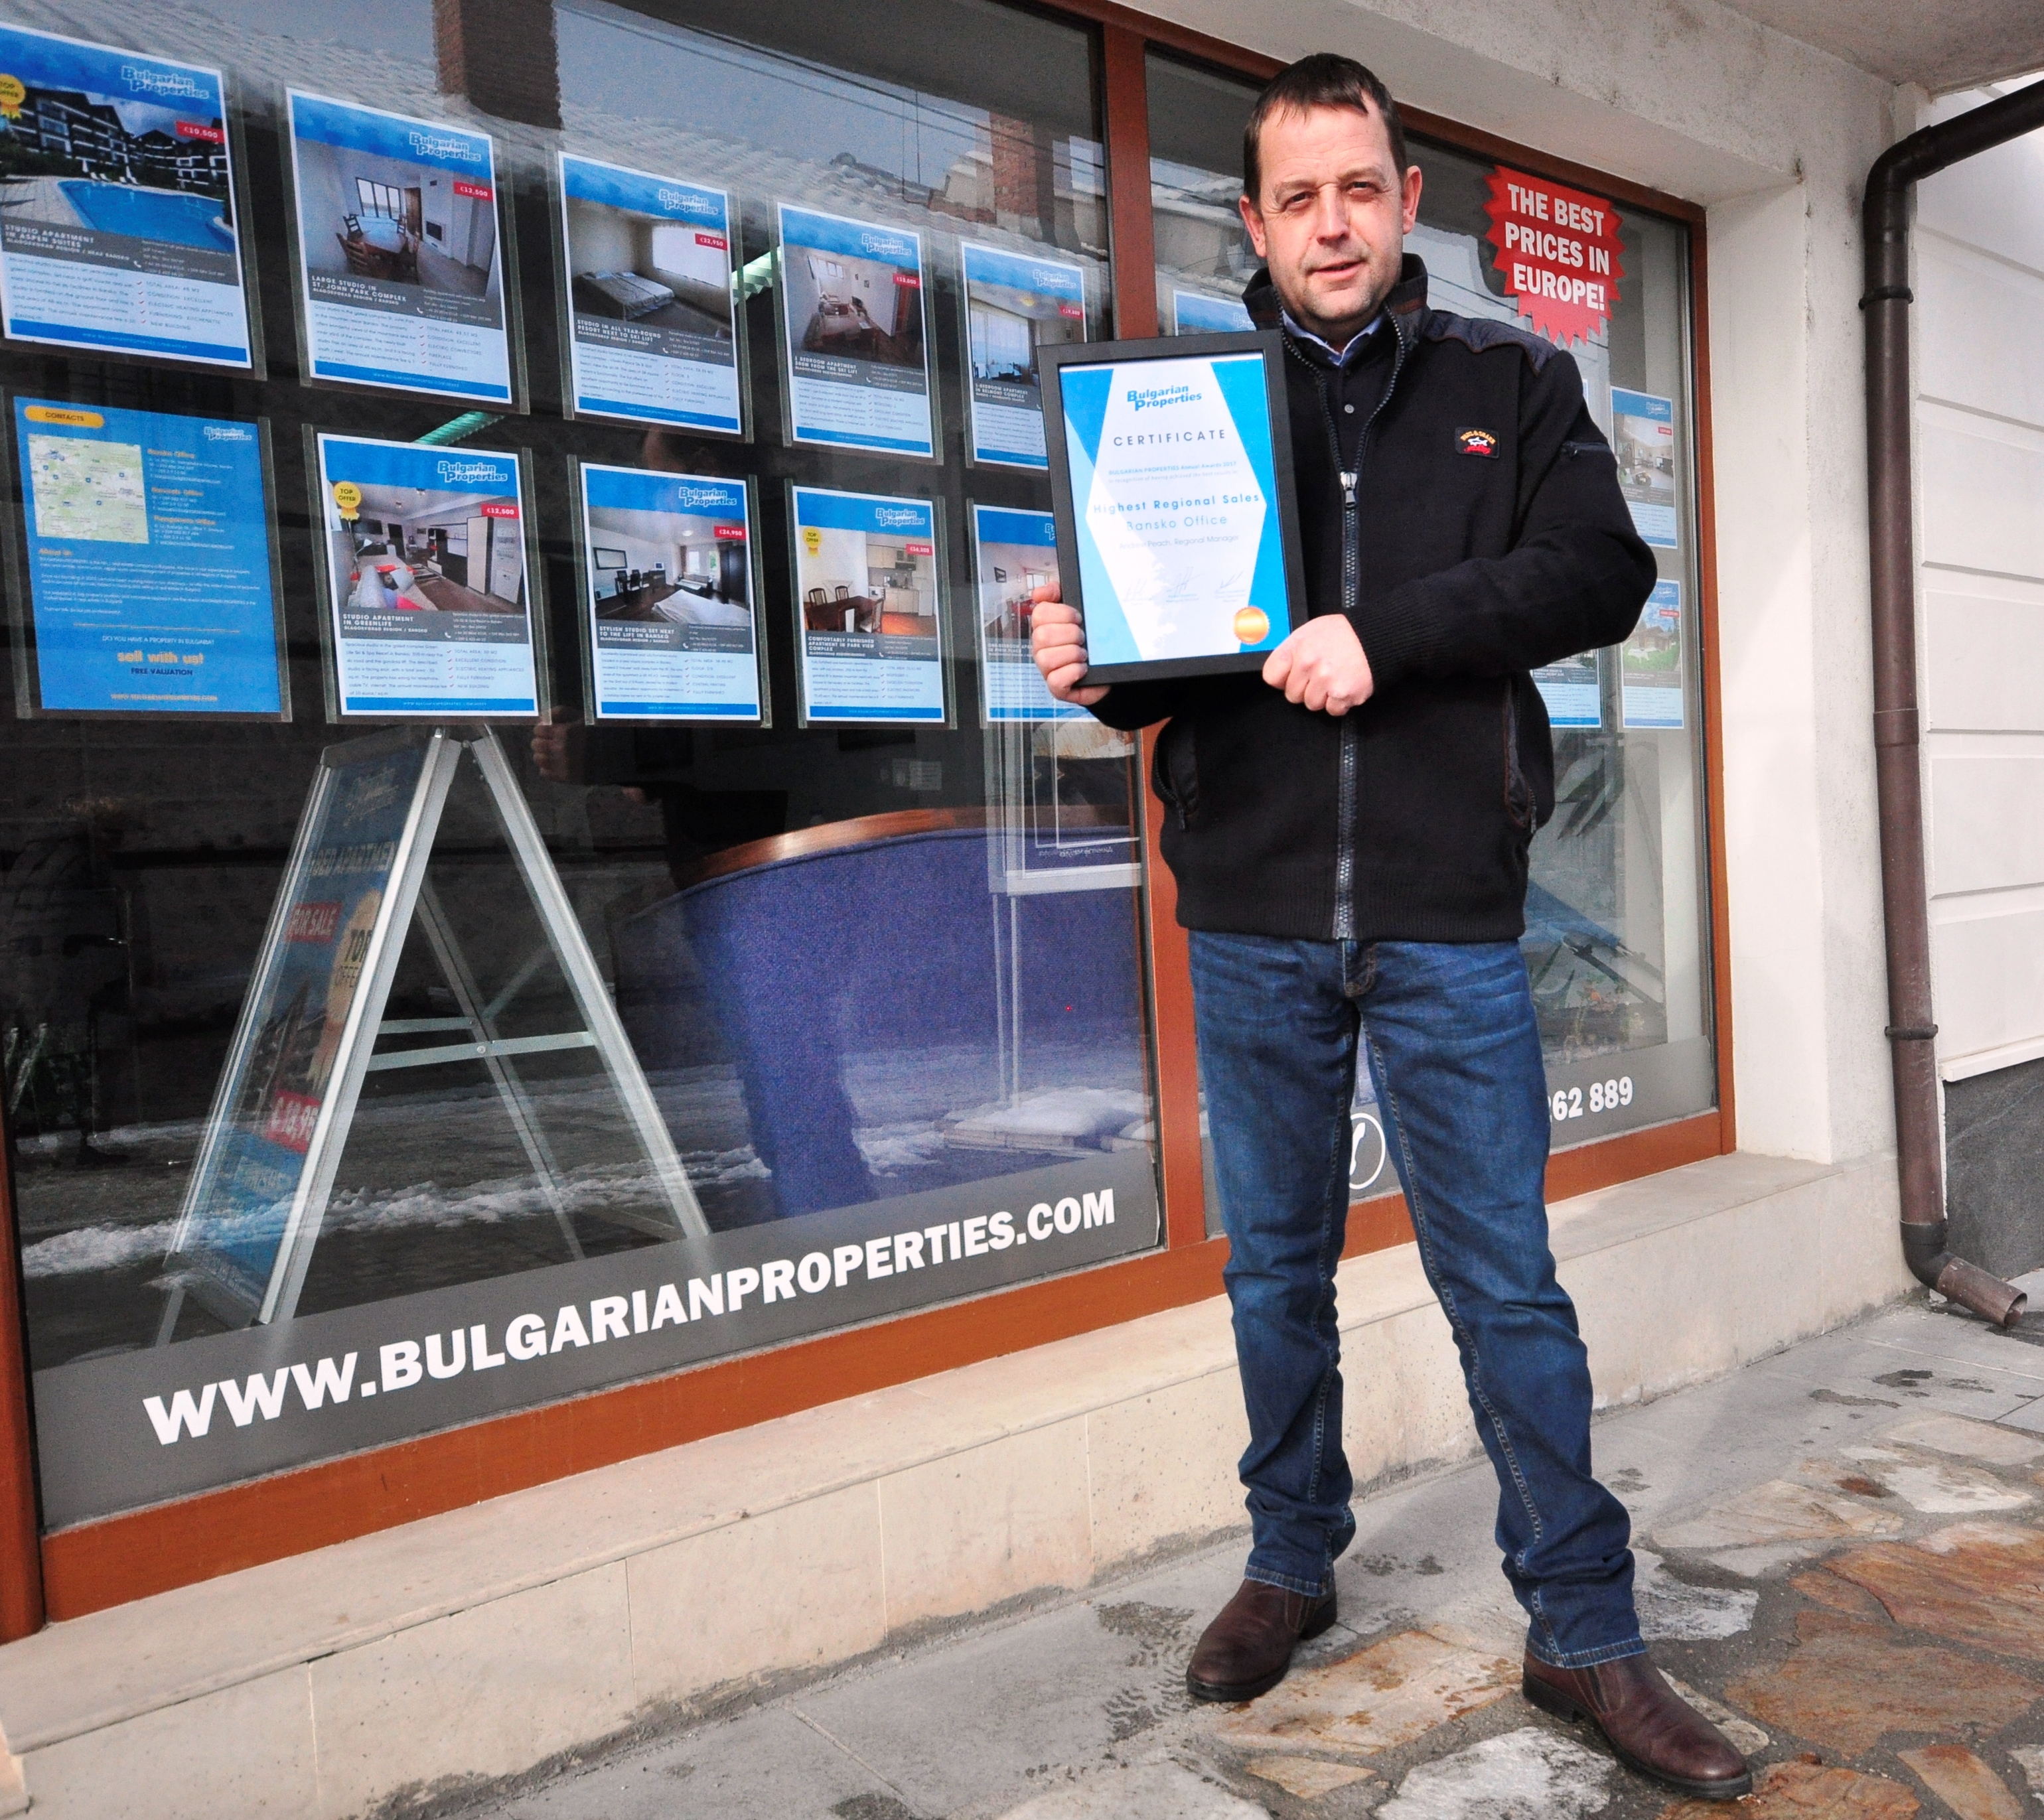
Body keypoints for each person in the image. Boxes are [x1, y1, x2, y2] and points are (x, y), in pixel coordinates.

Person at [1031, 54, 1750, 1803]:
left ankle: (1583, 1630)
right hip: (1254, 913)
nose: (1332, 224)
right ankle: (1292, 1559)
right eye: (1298, 198)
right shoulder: (1191, 405)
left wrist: (1390, 633)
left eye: (1359, 188)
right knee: (1274, 1268)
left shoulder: (1514, 377)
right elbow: (1184, 654)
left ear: (1406, 198)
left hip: (1446, 917)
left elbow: (1604, 573)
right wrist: (1098, 668)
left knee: (1503, 1282)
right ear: (1255, 221)